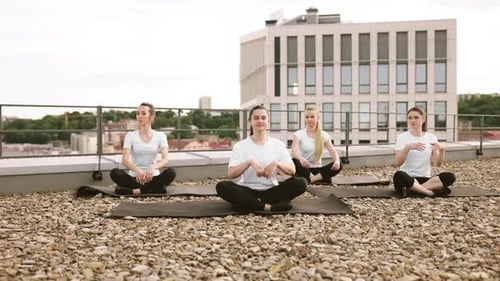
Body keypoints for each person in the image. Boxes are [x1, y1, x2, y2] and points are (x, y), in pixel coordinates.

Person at [216, 105, 307, 212]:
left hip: (271, 190)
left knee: (301, 182)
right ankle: (267, 207)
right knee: (222, 186)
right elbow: (231, 174)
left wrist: (277, 163)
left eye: (263, 118)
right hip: (247, 189)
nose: (260, 121)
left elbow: (292, 170)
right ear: (250, 121)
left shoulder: (278, 144)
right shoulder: (240, 146)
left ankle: (248, 203)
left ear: (268, 121)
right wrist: (249, 163)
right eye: (256, 118)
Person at [110, 102, 176, 195]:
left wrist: (153, 167)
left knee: (171, 172)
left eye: (143, 113)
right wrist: (138, 171)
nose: (139, 116)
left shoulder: (160, 136)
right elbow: (124, 160)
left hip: (153, 177)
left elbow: (165, 159)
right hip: (135, 178)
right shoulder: (130, 135)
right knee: (115, 172)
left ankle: (135, 191)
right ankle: (153, 189)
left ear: (151, 116)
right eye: (138, 113)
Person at [393, 106, 456, 197]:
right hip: (407, 178)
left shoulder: (431, 138)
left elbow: (437, 164)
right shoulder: (402, 137)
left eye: (416, 117)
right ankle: (428, 192)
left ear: (423, 119)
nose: (412, 120)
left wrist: (442, 149)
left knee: (450, 177)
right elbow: (398, 163)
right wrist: (407, 148)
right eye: (410, 118)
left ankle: (415, 190)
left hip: (425, 179)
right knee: (399, 175)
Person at [291, 107, 342, 184]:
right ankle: (316, 179)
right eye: (307, 117)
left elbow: (333, 151)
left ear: (318, 118)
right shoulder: (298, 134)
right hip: (304, 169)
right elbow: (293, 153)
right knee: (294, 161)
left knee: (340, 165)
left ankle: (312, 179)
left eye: (312, 117)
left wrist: (337, 161)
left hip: (318, 170)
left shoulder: (324, 135)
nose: (309, 119)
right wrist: (301, 159)